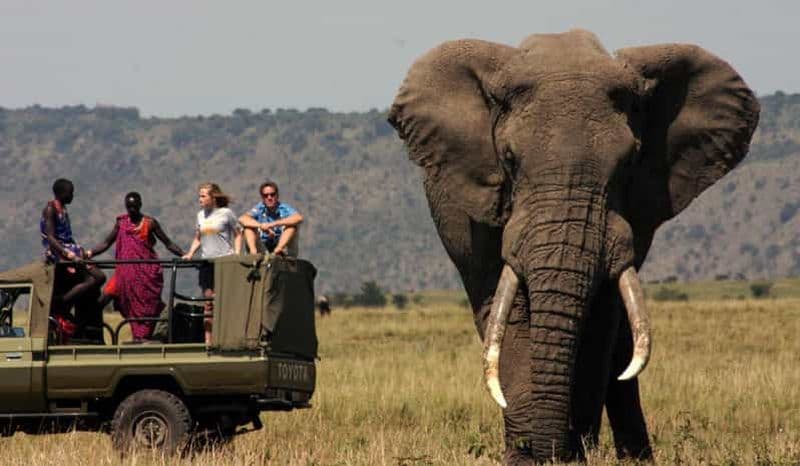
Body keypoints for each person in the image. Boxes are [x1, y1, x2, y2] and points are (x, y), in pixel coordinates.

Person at [86, 192, 185, 341]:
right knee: (102, 300)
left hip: (145, 275)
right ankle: (94, 337)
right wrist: (90, 253)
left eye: (134, 206)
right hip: (123, 275)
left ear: (140, 205)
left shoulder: (149, 223)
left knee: (147, 307)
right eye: (129, 206)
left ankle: (145, 337)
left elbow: (168, 243)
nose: (131, 209)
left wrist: (183, 254)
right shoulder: (121, 223)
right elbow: (107, 242)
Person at [40, 178, 105, 341]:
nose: (73, 196)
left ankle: (68, 302)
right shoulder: (50, 209)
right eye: (70, 192)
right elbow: (50, 237)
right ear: (61, 193)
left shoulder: (64, 209)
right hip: (58, 251)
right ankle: (62, 302)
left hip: (70, 248)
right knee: (96, 277)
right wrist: (68, 255)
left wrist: (79, 251)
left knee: (100, 277)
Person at [182, 183, 242, 344]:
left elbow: (238, 234)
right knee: (208, 302)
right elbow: (198, 238)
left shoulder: (226, 213)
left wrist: (236, 254)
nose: (200, 199)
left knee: (223, 301)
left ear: (212, 197)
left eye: (203, 196)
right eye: (199, 195)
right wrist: (190, 253)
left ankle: (228, 338)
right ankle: (208, 341)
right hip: (207, 263)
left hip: (224, 263)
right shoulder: (200, 215)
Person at [239, 180, 303, 256]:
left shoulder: (284, 208)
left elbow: (298, 218)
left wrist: (273, 224)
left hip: (284, 249)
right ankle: (253, 254)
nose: (269, 198)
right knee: (248, 227)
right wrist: (261, 226)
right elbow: (242, 219)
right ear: (262, 197)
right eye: (266, 195)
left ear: (277, 195)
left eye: (272, 195)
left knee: (292, 226)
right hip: (264, 250)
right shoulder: (259, 208)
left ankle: (278, 250)